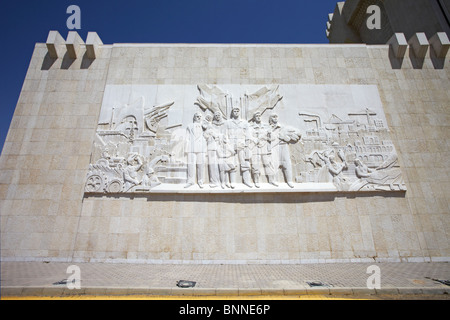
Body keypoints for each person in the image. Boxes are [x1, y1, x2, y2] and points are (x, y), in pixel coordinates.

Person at [225, 107, 252, 187]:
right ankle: (233, 182)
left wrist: (247, 146)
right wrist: (228, 146)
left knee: (244, 163)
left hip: (242, 145)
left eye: (237, 111)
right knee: (232, 163)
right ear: (232, 112)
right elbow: (225, 135)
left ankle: (247, 181)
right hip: (231, 146)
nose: (236, 112)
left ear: (239, 112)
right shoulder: (228, 123)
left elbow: (248, 136)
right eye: (234, 111)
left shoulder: (245, 123)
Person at [268, 113, 298, 188]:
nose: (275, 118)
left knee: (287, 163)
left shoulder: (283, 127)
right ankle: (273, 180)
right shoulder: (268, 128)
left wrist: (286, 137)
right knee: (274, 164)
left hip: (283, 146)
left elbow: (295, 134)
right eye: (273, 117)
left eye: (276, 116)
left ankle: (289, 181)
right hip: (274, 147)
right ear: (271, 119)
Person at [249, 112, 276, 187]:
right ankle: (256, 181)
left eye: (259, 116)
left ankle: (271, 180)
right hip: (255, 148)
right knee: (255, 165)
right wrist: (255, 140)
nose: (258, 117)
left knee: (268, 164)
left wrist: (268, 136)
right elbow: (248, 136)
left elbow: (273, 138)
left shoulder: (266, 127)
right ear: (254, 118)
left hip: (265, 148)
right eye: (256, 116)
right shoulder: (251, 127)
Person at [184, 112, 207, 188]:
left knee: (201, 165)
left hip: (201, 148)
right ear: (194, 117)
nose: (199, 118)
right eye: (197, 116)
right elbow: (187, 138)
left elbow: (207, 136)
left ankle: (200, 181)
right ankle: (190, 181)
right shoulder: (189, 126)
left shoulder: (204, 126)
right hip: (191, 147)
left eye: (200, 116)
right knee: (191, 164)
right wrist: (186, 149)